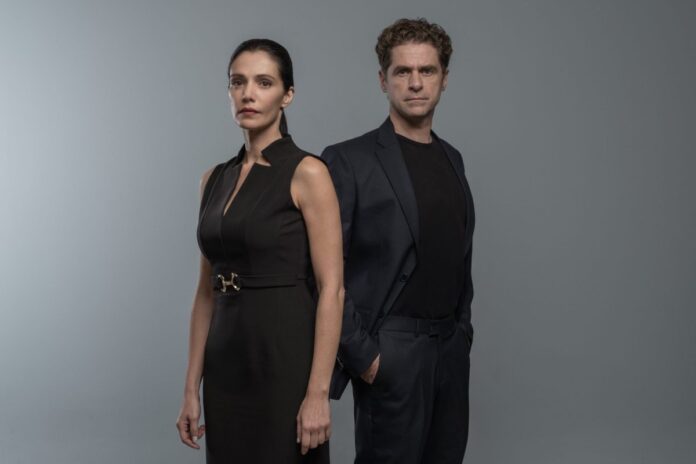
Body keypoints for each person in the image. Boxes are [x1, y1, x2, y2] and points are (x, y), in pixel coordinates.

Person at [176, 38, 343, 464]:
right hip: (225, 363)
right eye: (238, 82)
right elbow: (205, 293)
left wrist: (318, 393)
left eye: (264, 82)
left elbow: (332, 289)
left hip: (283, 357)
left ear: (287, 95)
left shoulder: (308, 172)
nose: (248, 94)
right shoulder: (213, 179)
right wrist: (191, 388)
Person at [322, 18, 475, 463]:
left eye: (427, 71)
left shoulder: (452, 159)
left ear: (444, 78)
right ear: (382, 80)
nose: (415, 83)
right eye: (402, 71)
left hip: (449, 350)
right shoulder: (349, 160)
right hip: (391, 350)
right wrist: (364, 355)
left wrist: (462, 334)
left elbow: (460, 254)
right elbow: (323, 270)